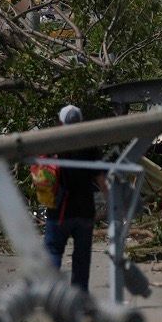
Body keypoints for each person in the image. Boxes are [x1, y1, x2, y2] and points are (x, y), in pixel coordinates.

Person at [45, 104, 103, 291]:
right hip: (85, 210)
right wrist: (114, 202)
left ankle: (52, 294)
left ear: (60, 122)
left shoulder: (53, 143)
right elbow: (100, 178)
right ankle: (80, 296)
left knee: (53, 251)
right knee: (82, 256)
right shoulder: (90, 145)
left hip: (59, 210)